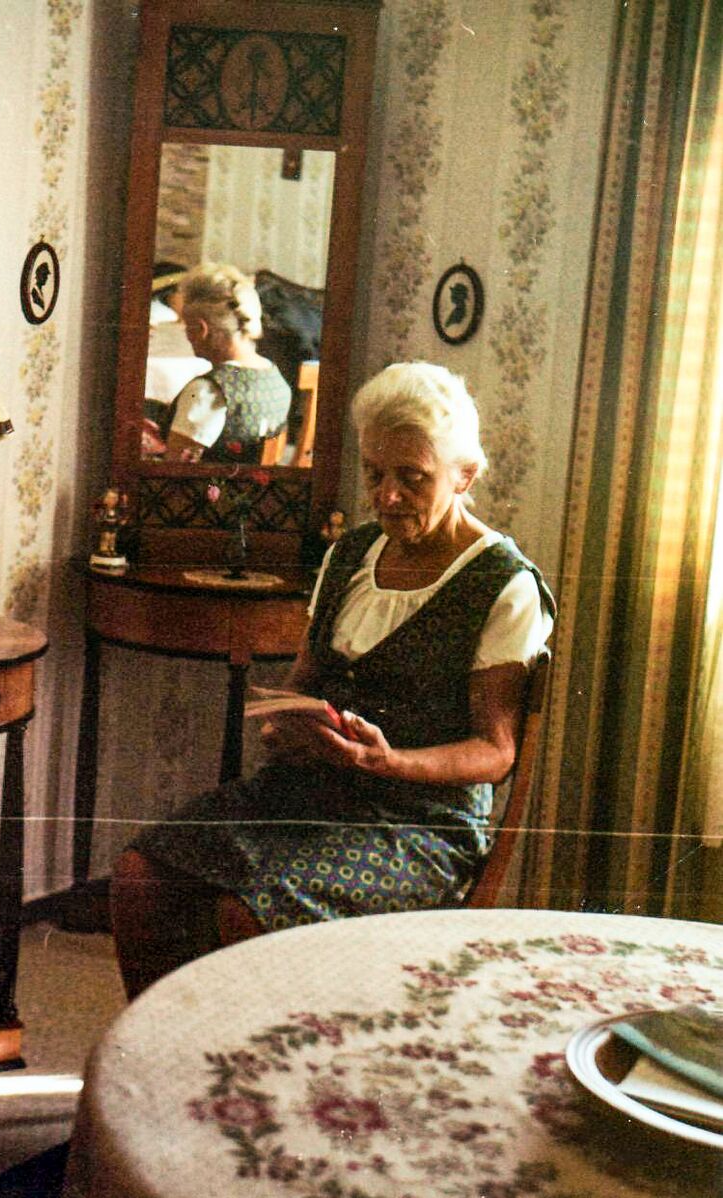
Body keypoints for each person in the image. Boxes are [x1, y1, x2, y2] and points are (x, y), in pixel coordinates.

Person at [112, 361, 555, 998]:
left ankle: (270, 1057)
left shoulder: (503, 584)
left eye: (412, 478)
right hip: (309, 794)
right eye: (375, 474)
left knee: (250, 915)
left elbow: (495, 751)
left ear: (465, 475)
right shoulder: (349, 554)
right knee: (141, 877)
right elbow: (305, 682)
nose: (387, 496)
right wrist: (288, 725)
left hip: (417, 826)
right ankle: (168, 1051)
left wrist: (388, 762)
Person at [164, 263, 292, 464]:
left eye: (186, 326)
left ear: (201, 329)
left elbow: (174, 469)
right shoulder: (275, 376)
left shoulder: (207, 391)